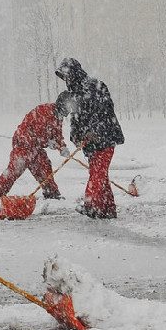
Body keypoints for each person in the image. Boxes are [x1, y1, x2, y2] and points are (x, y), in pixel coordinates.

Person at [55, 57, 125, 219]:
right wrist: (76, 137)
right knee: (100, 174)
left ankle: (91, 204)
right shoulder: (75, 93)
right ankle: (106, 209)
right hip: (92, 143)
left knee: (97, 174)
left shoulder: (94, 86)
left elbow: (105, 111)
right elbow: (77, 119)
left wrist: (94, 130)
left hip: (104, 138)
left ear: (73, 74)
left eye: (66, 76)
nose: (65, 80)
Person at [0, 95, 71, 200]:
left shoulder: (58, 117)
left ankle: (51, 193)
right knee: (14, 170)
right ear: (63, 105)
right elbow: (38, 132)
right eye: (69, 107)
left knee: (45, 167)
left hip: (36, 147)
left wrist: (62, 147)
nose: (70, 110)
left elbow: (56, 134)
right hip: (24, 144)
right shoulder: (44, 111)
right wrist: (47, 141)